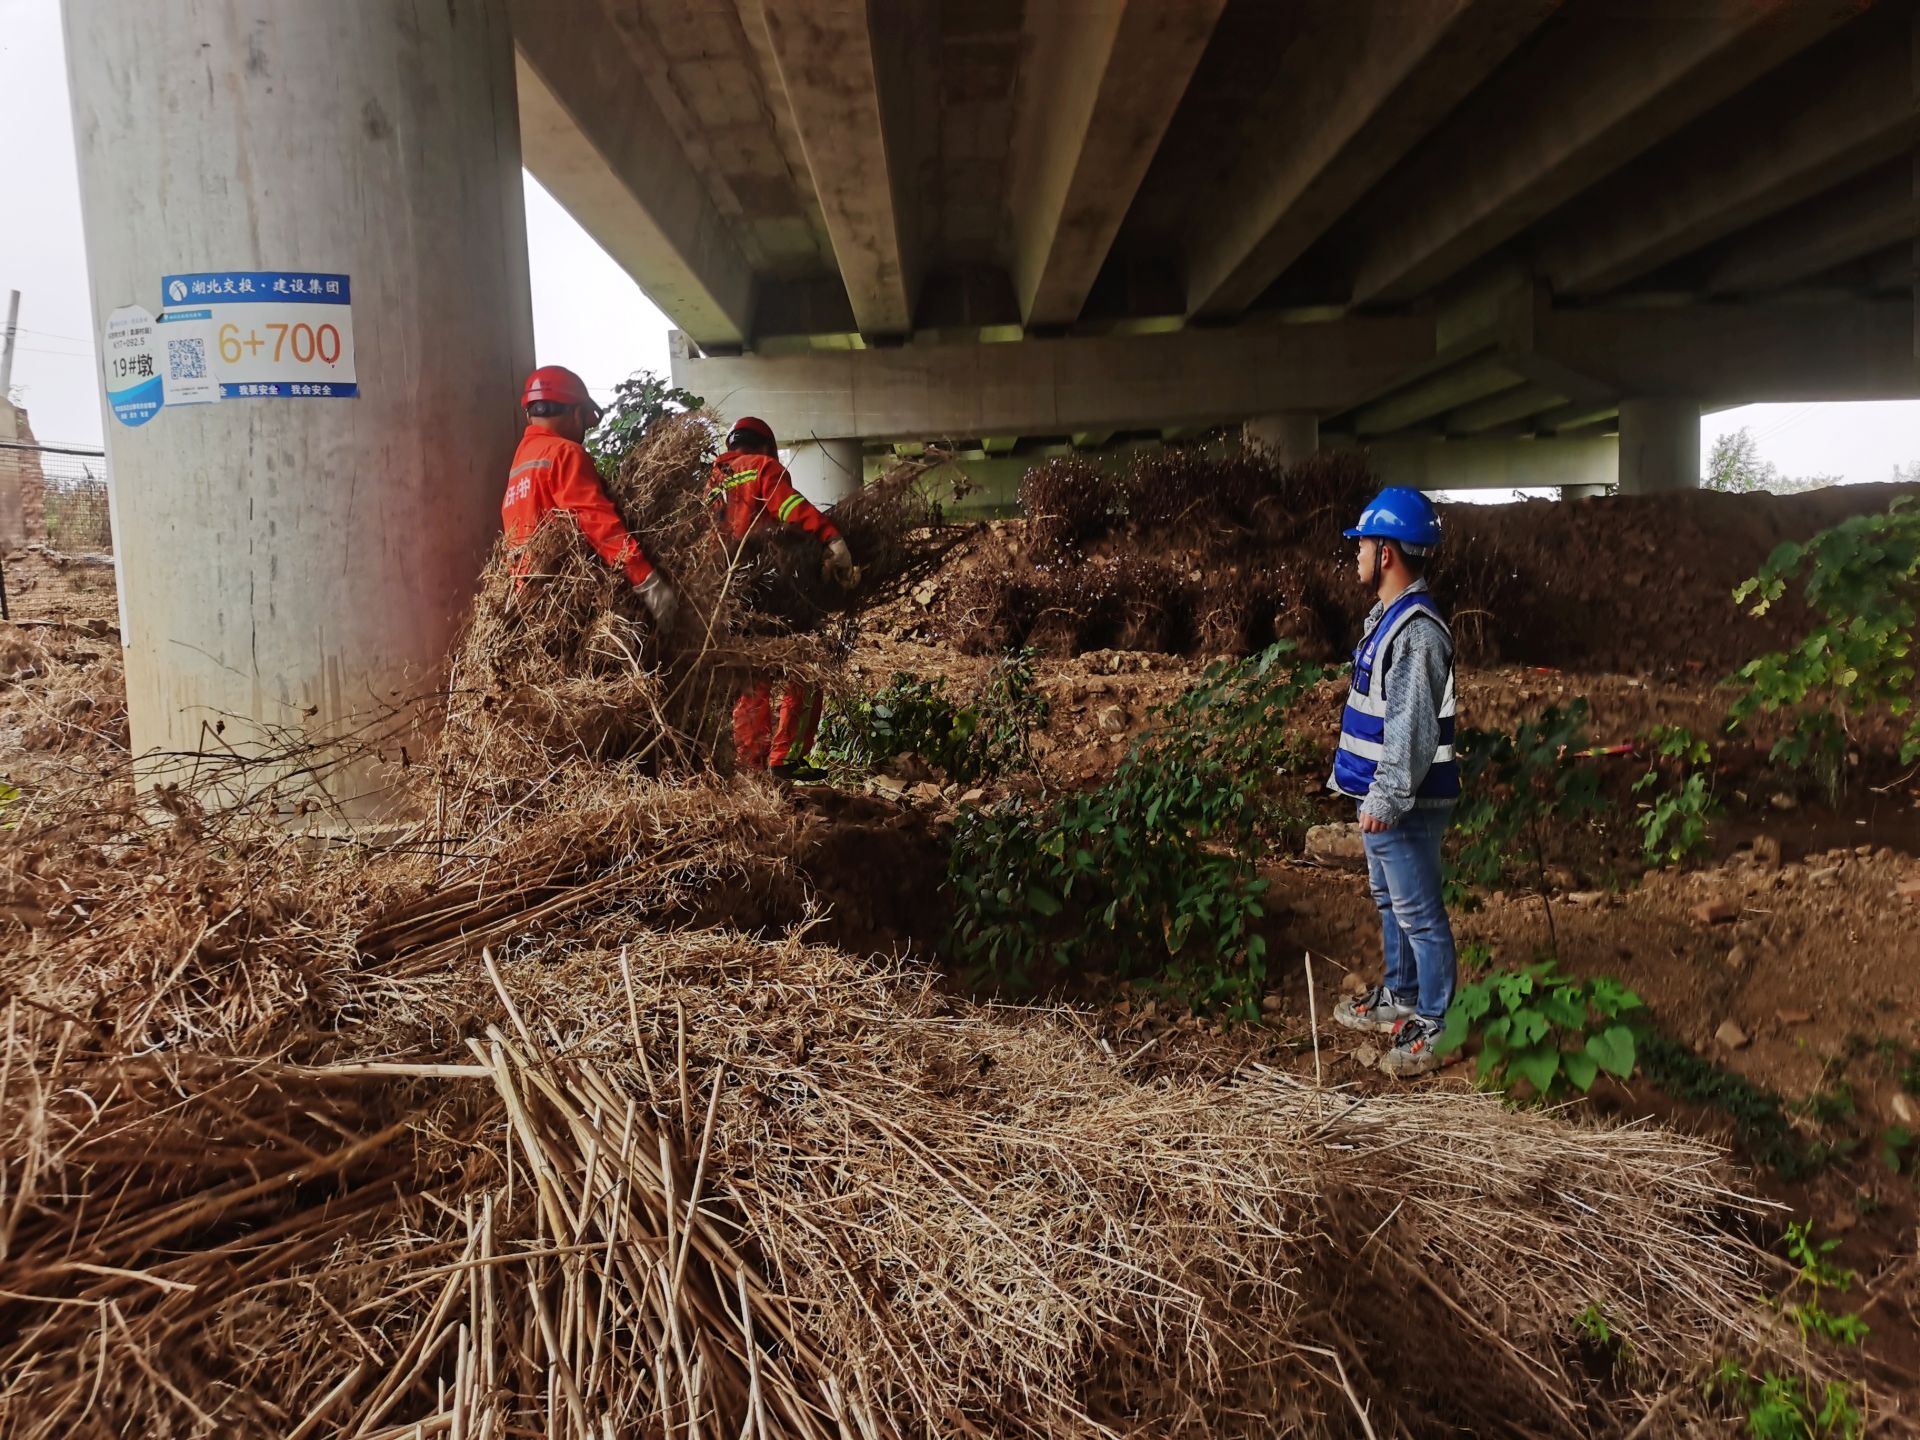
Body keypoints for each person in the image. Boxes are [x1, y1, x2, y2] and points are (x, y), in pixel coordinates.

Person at [1328, 486, 1460, 1078]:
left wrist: (1384, 798)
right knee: (1393, 904)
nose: (1354, 553)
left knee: (1420, 914)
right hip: (1387, 799)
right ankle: (1402, 997)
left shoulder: (1417, 632)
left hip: (1406, 802)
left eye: (1361, 543)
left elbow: (1409, 727)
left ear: (1387, 553)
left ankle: (1434, 1023)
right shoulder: (1390, 620)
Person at [706, 416, 856, 776]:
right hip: (770, 588)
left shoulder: (714, 482)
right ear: (768, 447)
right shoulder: (762, 467)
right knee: (807, 664)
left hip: (727, 593)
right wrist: (831, 538)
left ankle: (751, 766)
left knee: (751, 679)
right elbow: (788, 508)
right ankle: (787, 757)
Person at [503, 365, 678, 628]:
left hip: (527, 605)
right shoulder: (564, 452)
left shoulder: (521, 462)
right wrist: (647, 581)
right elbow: (596, 522)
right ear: (575, 413)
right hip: (566, 607)